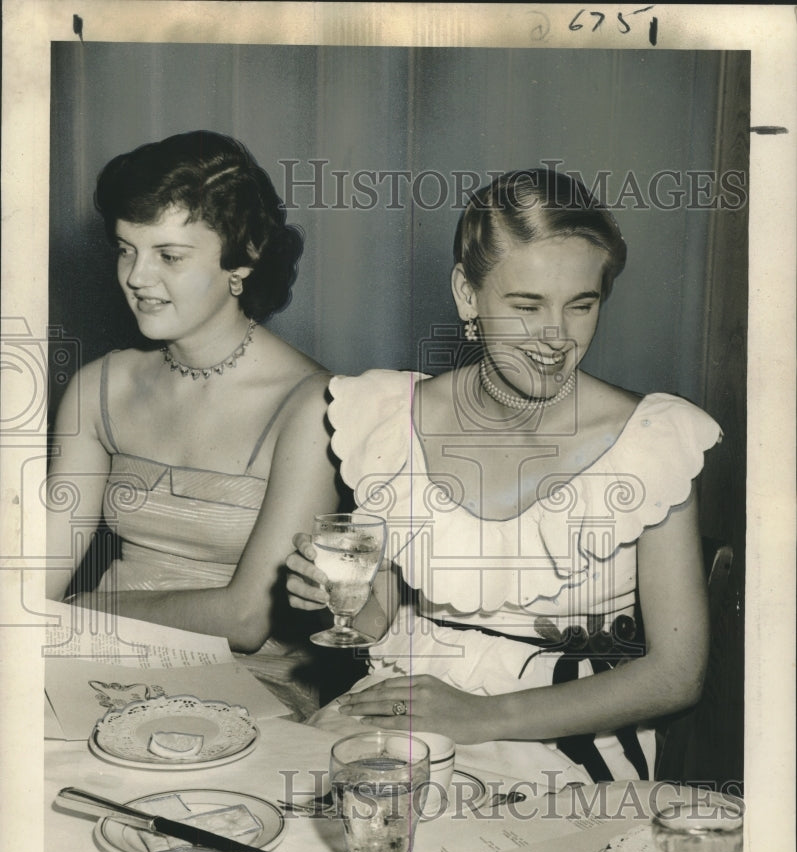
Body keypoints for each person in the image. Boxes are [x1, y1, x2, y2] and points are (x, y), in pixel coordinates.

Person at [286, 167, 723, 786]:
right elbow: (378, 622)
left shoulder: (652, 440)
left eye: (582, 304)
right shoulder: (392, 417)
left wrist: (480, 716)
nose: (555, 338)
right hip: (403, 699)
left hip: (565, 735)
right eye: (526, 305)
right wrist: (332, 597)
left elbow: (677, 675)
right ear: (468, 294)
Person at [47, 131, 339, 661]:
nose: (137, 276)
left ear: (243, 259)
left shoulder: (312, 404)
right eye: (126, 249)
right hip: (88, 657)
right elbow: (34, 582)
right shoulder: (98, 388)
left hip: (248, 684)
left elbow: (245, 619)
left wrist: (83, 611)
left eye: (170, 255)